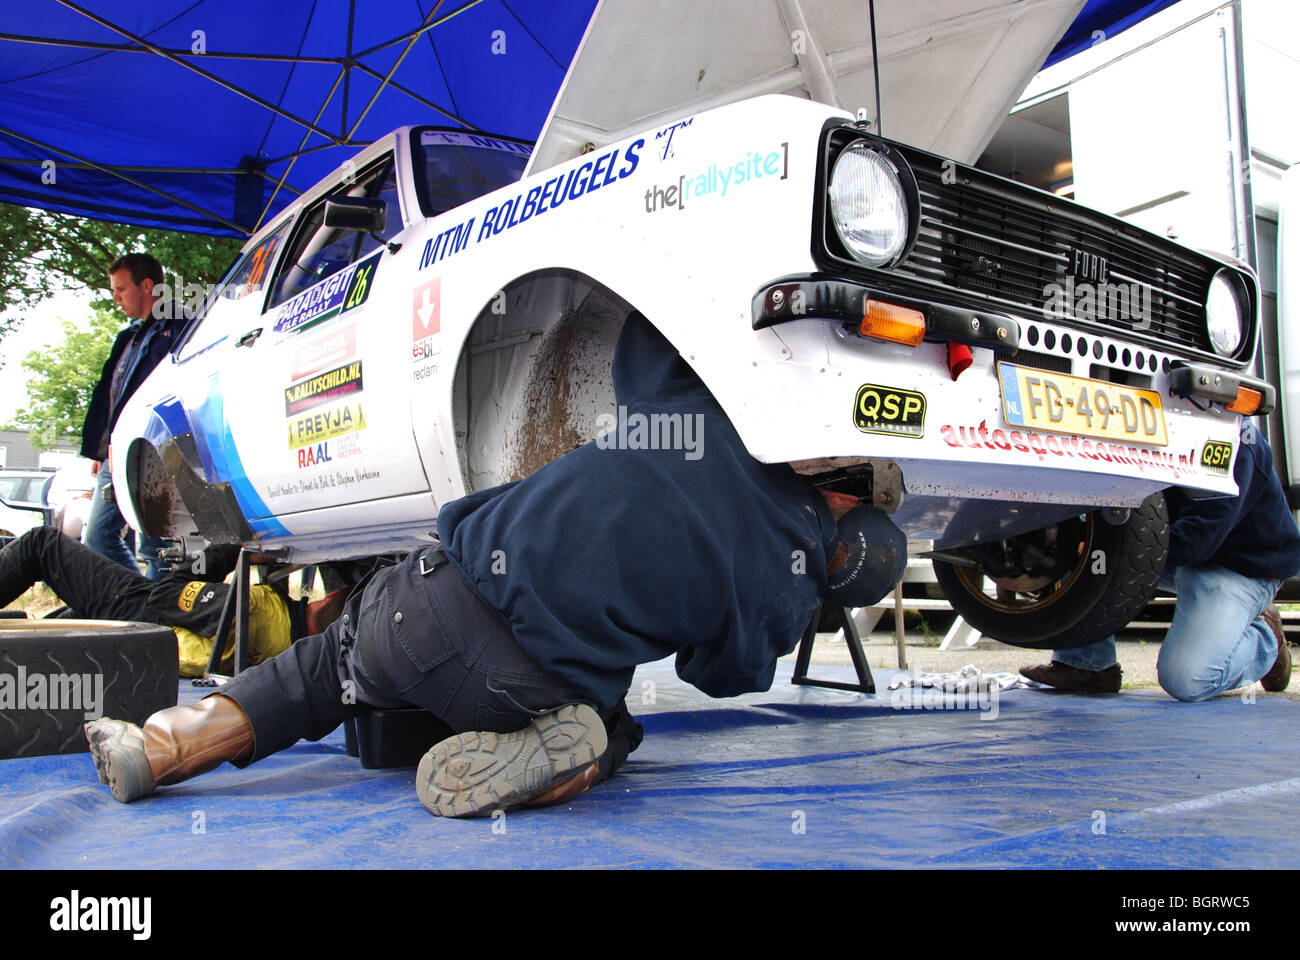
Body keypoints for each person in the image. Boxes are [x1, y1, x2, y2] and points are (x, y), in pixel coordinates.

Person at [84, 314, 908, 816]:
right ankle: (572, 757)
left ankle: (161, 751)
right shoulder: (783, 608)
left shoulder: (700, 419)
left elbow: (650, 337)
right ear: (839, 579)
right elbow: (719, 674)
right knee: (616, 722)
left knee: (321, 670)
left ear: (838, 496)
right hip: (533, 689)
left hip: (429, 608)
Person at [1021, 417, 1298, 699]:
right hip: (1173, 556)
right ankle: (1087, 666)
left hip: (1239, 567)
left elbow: (1199, 540)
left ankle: (1266, 639)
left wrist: (1120, 551)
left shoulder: (1229, 438)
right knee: (1079, 548)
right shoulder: (1127, 422)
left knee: (1186, 680)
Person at [1, 527, 348, 675]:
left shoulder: (258, 614)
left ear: (331, 597)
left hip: (136, 613)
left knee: (41, 545)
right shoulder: (291, 650)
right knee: (50, 629)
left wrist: (232, 549)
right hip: (147, 643)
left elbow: (166, 595)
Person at [80, 253, 186, 581]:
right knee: (97, 536)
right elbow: (110, 395)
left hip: (155, 449)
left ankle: (158, 619)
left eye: (121, 289)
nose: (115, 297)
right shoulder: (127, 337)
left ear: (146, 285)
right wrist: (100, 449)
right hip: (116, 451)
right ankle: (143, 602)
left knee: (156, 546)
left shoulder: (182, 324)